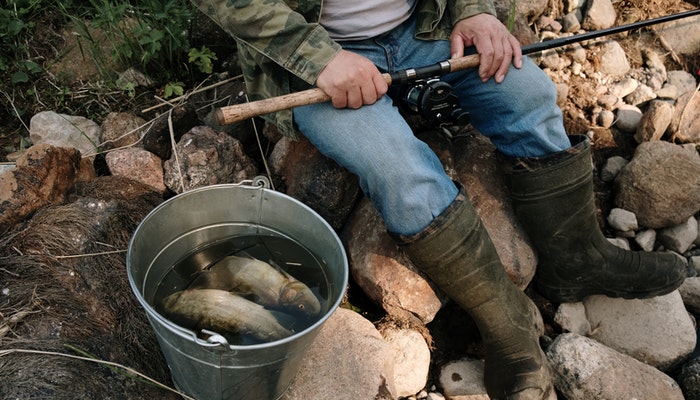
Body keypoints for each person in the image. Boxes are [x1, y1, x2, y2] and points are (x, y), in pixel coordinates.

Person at [191, 0, 688, 398]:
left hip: (426, 33)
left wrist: (473, 11)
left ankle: (577, 259)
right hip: (319, 62)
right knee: (400, 169)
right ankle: (507, 326)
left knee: (530, 96)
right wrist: (318, 58)